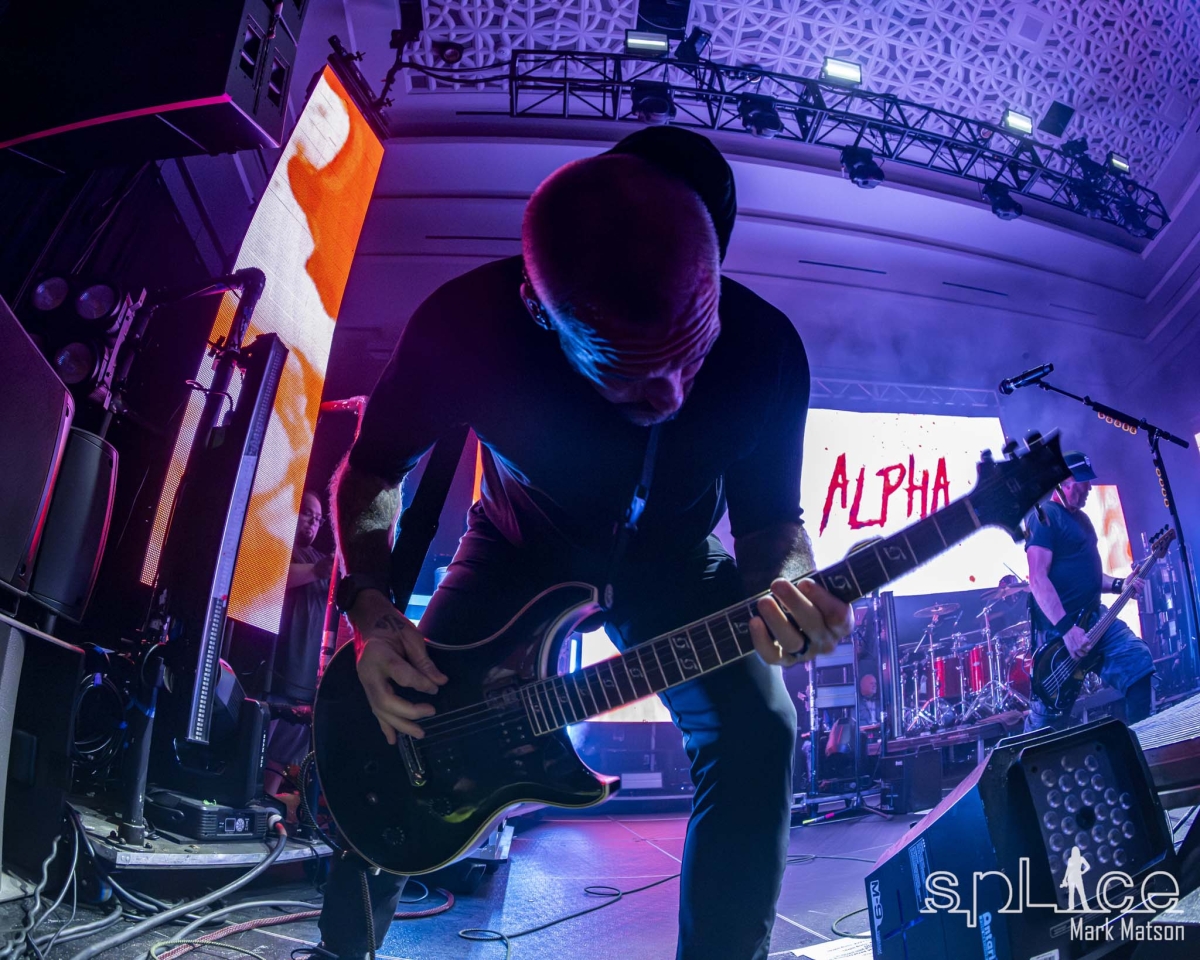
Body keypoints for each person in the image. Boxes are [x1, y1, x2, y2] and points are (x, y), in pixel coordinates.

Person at [318, 126, 854, 960]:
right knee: (398, 722)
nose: (670, 397)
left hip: (676, 562)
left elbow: (771, 525)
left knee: (760, 727)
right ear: (542, 314)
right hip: (516, 547)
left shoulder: (765, 349)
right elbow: (370, 473)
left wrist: (787, 587)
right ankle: (341, 951)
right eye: (630, 370)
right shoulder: (468, 325)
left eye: (692, 350)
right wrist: (372, 614)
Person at [1024, 451, 1153, 732]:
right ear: (1063, 481)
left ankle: (1142, 744)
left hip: (1095, 619)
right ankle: (1021, 758)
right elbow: (1037, 578)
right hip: (1059, 634)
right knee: (1048, 722)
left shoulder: (1082, 520)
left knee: (1137, 661)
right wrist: (1067, 629)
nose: (1089, 488)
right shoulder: (1044, 517)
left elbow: (1090, 576)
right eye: (1082, 481)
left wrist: (1120, 585)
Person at [263, 490, 333, 793]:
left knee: (287, 744)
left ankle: (268, 800)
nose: (313, 523)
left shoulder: (320, 558)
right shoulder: (276, 547)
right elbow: (274, 577)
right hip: (278, 667)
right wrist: (318, 571)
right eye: (308, 514)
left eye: (318, 519)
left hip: (306, 674)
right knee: (259, 737)